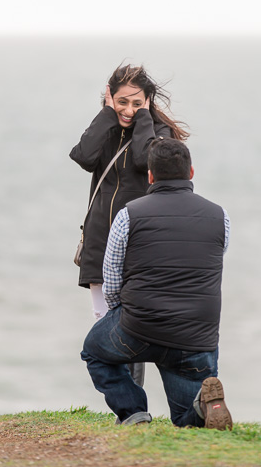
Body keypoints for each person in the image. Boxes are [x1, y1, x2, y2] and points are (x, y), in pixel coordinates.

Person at [80, 138, 233, 429]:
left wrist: (121, 315)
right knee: (184, 420)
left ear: (150, 176)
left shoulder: (129, 215)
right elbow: (215, 258)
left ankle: (133, 413)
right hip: (196, 338)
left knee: (94, 350)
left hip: (138, 327)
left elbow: (111, 278)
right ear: (191, 172)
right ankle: (201, 409)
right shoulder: (219, 216)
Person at [69, 64, 188, 320]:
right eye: (122, 102)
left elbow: (143, 159)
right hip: (100, 241)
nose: (129, 110)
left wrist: (144, 120)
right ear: (110, 96)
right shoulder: (106, 130)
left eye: (137, 103)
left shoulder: (160, 133)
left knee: (134, 326)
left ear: (148, 101)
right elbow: (83, 156)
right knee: (103, 322)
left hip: (139, 243)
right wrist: (107, 115)